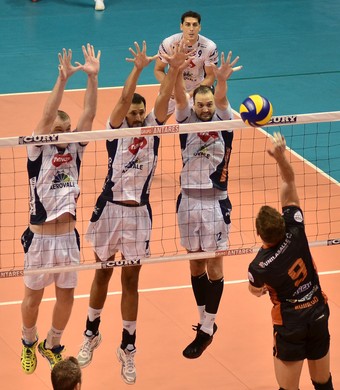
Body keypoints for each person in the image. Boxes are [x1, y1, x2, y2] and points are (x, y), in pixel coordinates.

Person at [77, 40, 189, 384]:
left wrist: (174, 68)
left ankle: (127, 347)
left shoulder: (153, 130)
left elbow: (163, 99)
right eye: (134, 113)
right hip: (109, 209)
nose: (138, 116)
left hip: (139, 213)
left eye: (142, 113)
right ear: (126, 115)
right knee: (102, 273)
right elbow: (125, 99)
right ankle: (91, 333)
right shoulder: (115, 131)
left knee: (131, 280)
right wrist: (138, 68)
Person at [20, 44, 101, 374]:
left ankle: (52, 343)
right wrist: (63, 79)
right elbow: (44, 117)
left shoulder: (76, 150)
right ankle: (28, 341)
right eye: (57, 131)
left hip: (67, 237)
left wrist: (93, 79)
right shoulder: (37, 151)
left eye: (65, 131)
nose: (62, 135)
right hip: (40, 238)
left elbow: (89, 116)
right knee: (33, 298)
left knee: (66, 296)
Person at [248, 132, 333, 390]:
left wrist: (260, 288)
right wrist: (280, 156)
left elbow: (254, 290)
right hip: (317, 310)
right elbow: (289, 180)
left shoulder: (259, 265)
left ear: (260, 234)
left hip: (290, 324)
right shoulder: (294, 228)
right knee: (322, 382)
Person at [174, 50, 242, 359]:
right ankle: (205, 322)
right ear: (194, 105)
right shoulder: (185, 117)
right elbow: (178, 99)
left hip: (215, 202)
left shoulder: (224, 119)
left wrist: (222, 80)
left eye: (208, 104)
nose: (205, 108)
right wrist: (175, 72)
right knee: (195, 263)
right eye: (200, 104)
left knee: (215, 265)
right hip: (188, 200)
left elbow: (224, 99)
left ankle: (206, 328)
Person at [154, 10, 218, 121]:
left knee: (200, 126)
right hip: (172, 90)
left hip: (197, 90)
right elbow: (158, 70)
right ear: (181, 26)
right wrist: (170, 88)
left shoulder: (209, 47)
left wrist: (190, 94)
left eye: (195, 25)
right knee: (156, 123)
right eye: (187, 24)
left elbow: (210, 76)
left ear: (200, 27)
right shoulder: (168, 43)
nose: (191, 28)